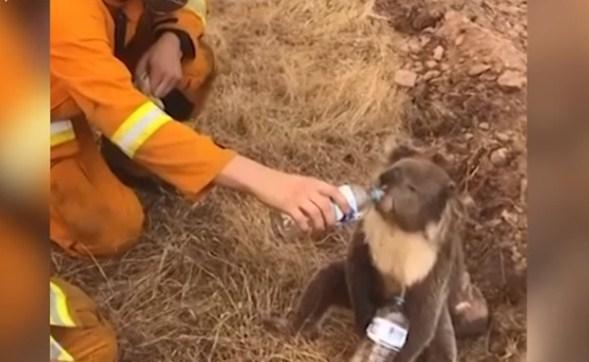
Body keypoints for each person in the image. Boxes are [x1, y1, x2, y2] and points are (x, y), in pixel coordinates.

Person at [50, 0, 351, 360]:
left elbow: (193, 5)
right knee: (112, 228)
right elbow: (129, 123)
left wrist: (173, 38)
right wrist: (268, 182)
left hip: (89, 72)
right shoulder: (60, 13)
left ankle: (127, 163)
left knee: (193, 63)